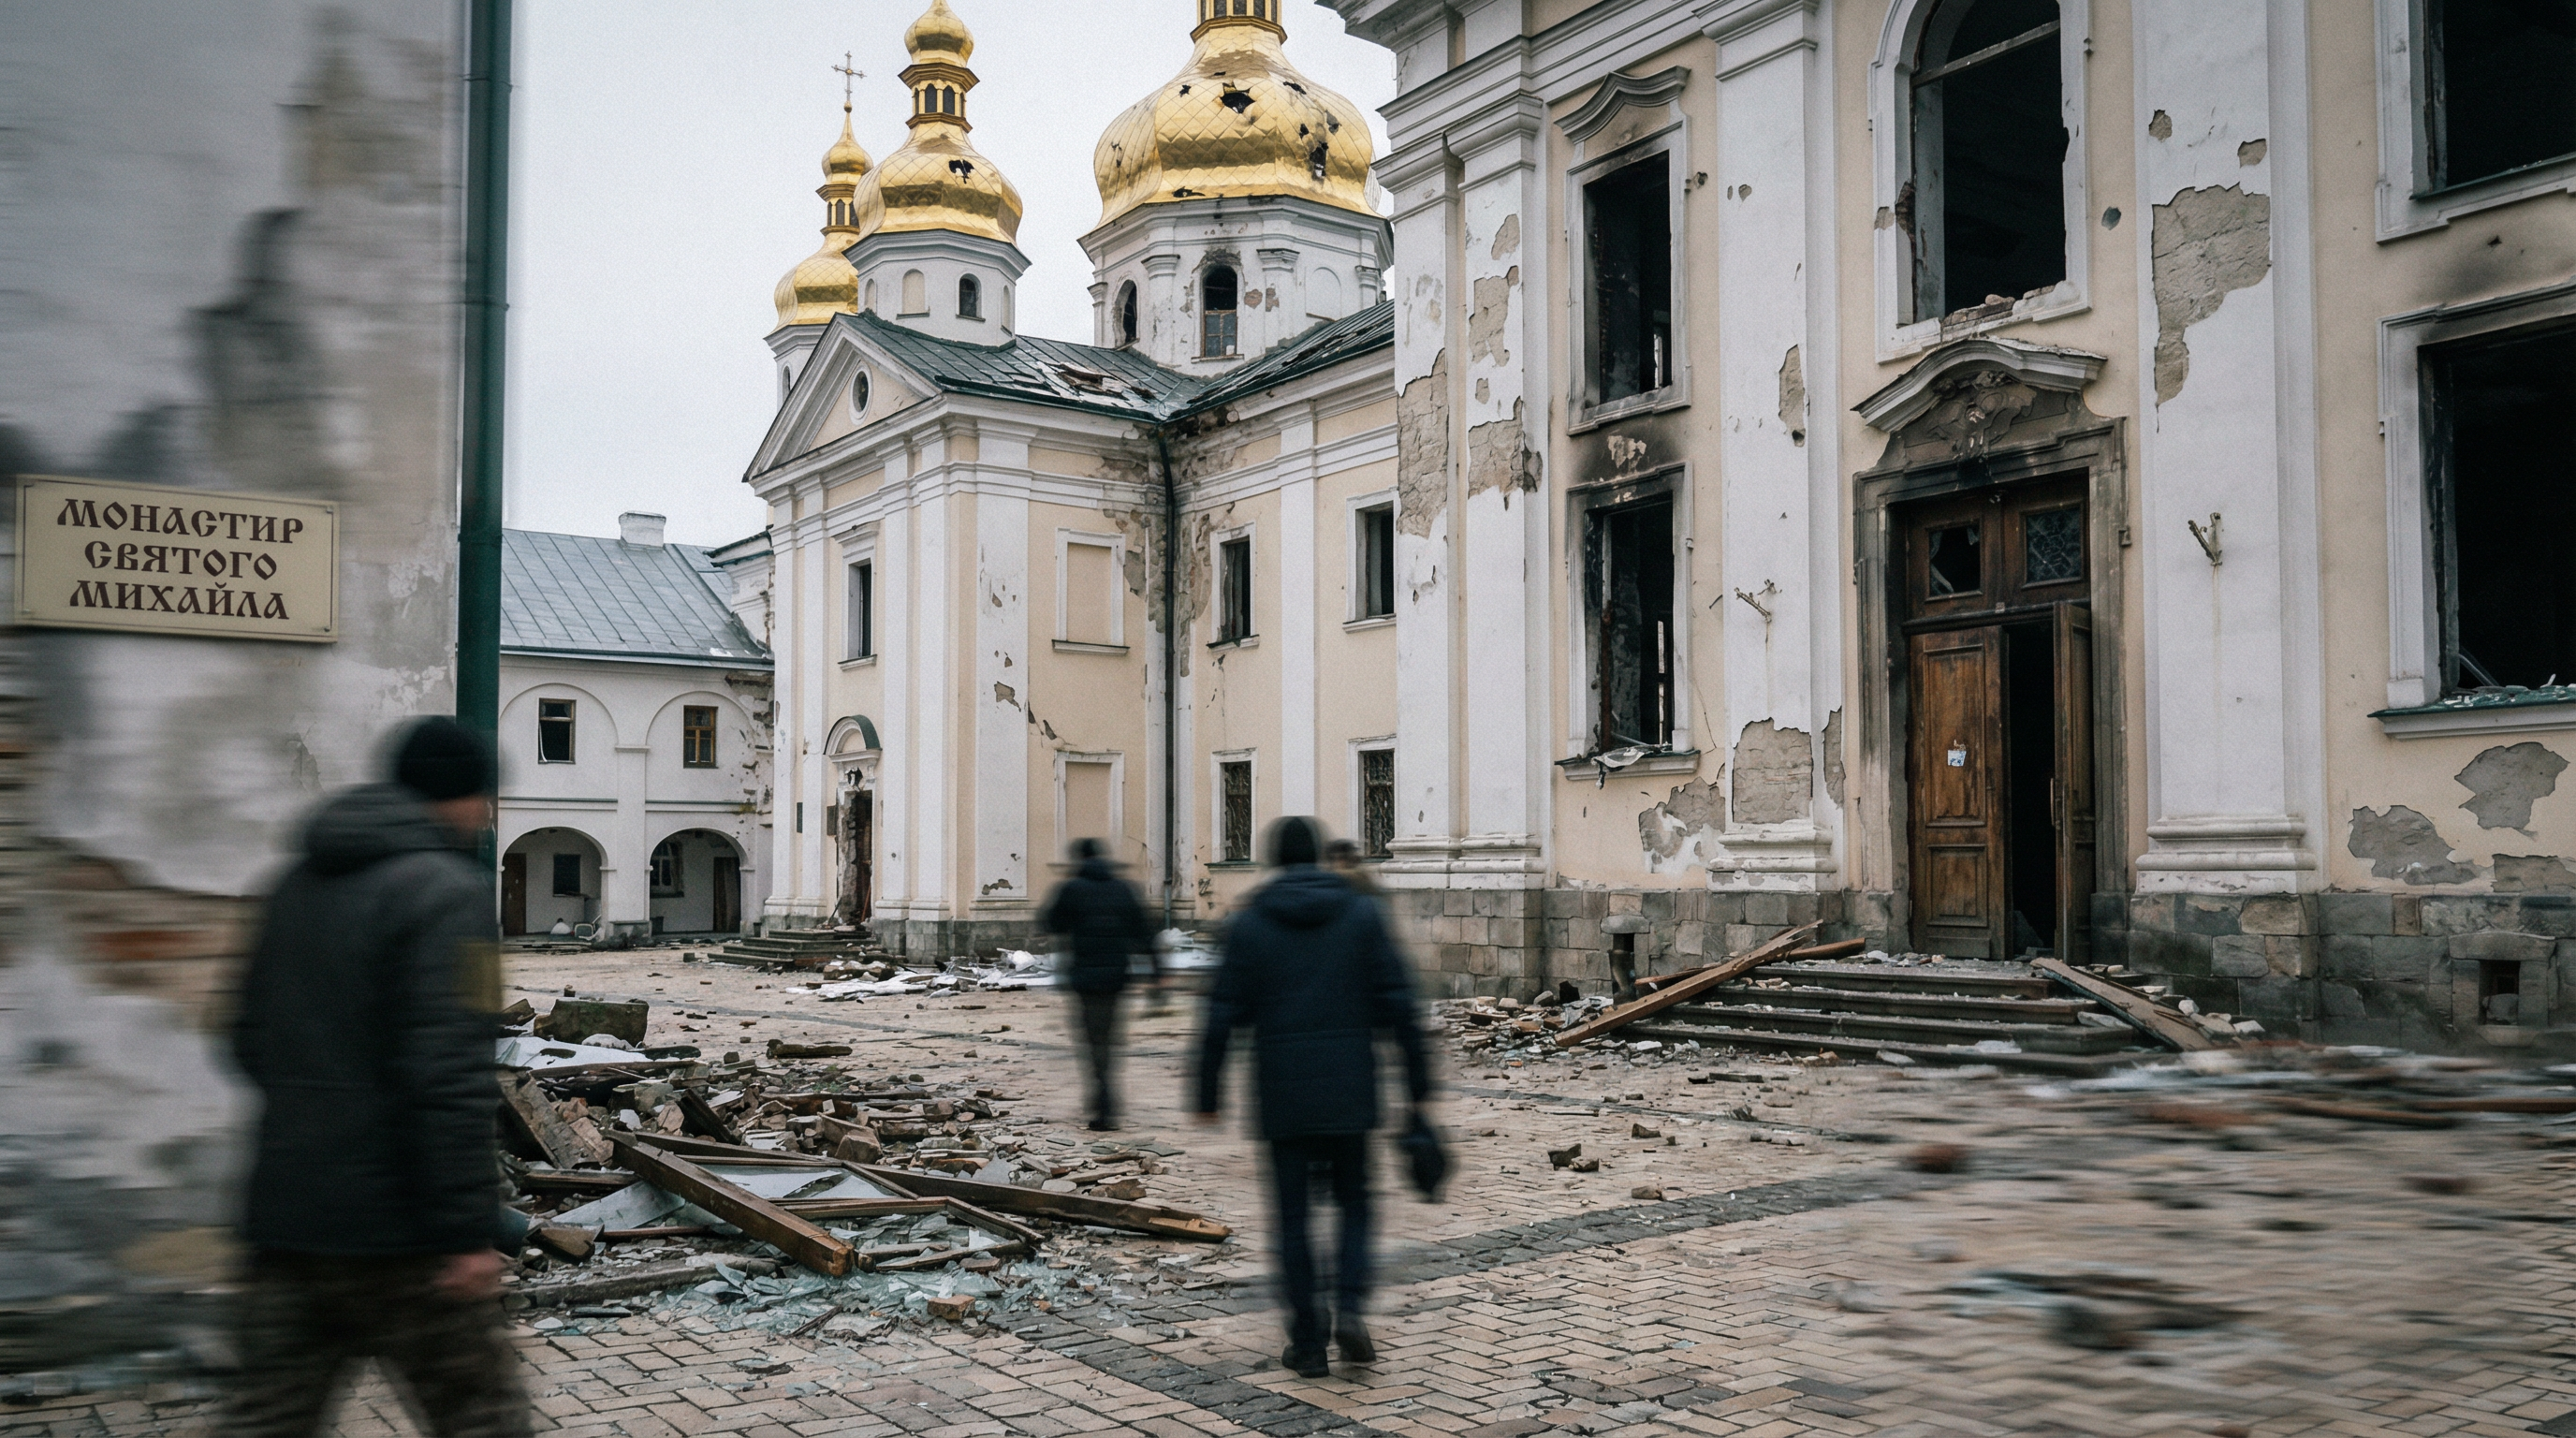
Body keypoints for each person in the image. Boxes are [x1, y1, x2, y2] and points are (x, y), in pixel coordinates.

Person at [224, 716, 526, 1438]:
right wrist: (464, 1232)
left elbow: (245, 1040)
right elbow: (449, 1074)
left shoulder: (295, 881)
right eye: (485, 797)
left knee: (266, 1422)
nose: (487, 815)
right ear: (457, 795)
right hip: (403, 1236)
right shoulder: (449, 894)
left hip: (288, 1219)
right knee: (482, 1419)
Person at [1193, 816, 1430, 1378]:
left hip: (1283, 1093)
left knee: (1293, 1220)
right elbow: (1399, 1004)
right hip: (1352, 1087)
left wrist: (1207, 1089)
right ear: (1321, 857)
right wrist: (1418, 1089)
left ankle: (1307, 1341)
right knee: (1355, 1207)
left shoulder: (1249, 924)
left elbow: (1221, 1012)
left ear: (1271, 858)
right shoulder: (1362, 913)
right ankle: (1349, 1306)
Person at [1037, 837, 1159, 1131]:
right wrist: (1157, 971)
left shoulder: (1072, 889)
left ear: (1080, 860)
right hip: (1116, 979)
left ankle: (1104, 1104)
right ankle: (1106, 1098)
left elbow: (1050, 923)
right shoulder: (1123, 889)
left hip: (1085, 980)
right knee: (1108, 1040)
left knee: (1093, 1043)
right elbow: (1144, 931)